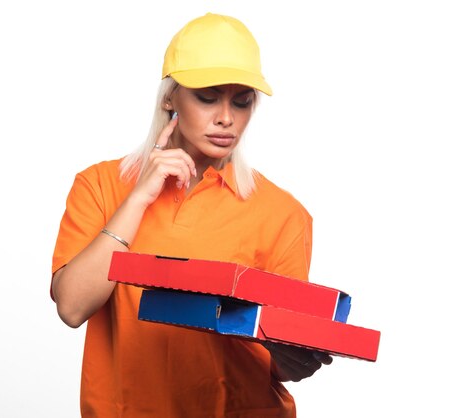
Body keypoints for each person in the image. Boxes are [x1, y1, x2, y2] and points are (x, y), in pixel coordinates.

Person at [51, 12, 332, 418]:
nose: (226, 117)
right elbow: (72, 307)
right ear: (170, 97)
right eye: (207, 96)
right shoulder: (100, 185)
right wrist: (138, 200)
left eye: (242, 101)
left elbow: (281, 360)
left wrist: (294, 359)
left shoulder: (284, 214)